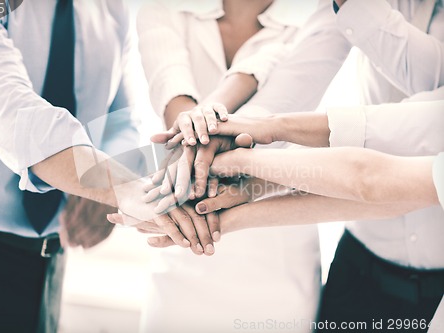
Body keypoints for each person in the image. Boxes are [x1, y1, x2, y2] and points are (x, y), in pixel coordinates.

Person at [0, 1, 211, 332]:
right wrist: (115, 186)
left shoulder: (108, 8)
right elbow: (13, 113)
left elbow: (119, 120)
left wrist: (103, 185)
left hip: (49, 260)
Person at [136, 0, 343, 332]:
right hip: (188, 240)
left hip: (277, 246)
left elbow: (268, 111)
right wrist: (197, 124)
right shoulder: (165, 7)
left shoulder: (319, 15)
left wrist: (200, 126)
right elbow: (171, 90)